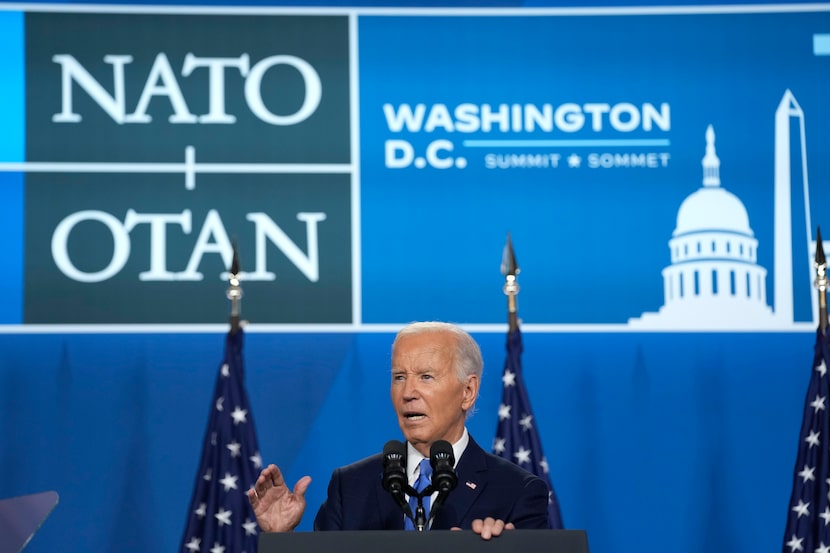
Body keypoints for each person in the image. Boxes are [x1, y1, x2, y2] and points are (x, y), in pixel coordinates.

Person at [248, 321, 551, 539]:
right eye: (399, 377)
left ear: (468, 391)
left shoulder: (517, 492)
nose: (408, 392)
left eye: (426, 377)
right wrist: (281, 538)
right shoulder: (351, 486)